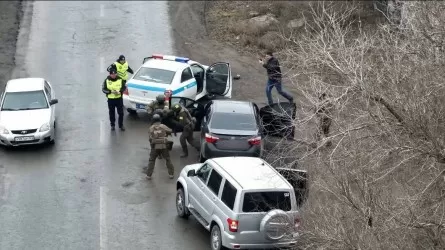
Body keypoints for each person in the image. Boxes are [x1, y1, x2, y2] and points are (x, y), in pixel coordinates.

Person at [146, 114, 174, 179]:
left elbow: (150, 138)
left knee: (152, 160)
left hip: (154, 147)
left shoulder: (151, 128)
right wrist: (165, 133)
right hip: (163, 146)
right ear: (159, 119)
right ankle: (171, 174)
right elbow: (170, 130)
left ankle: (148, 175)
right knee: (167, 159)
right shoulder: (163, 126)